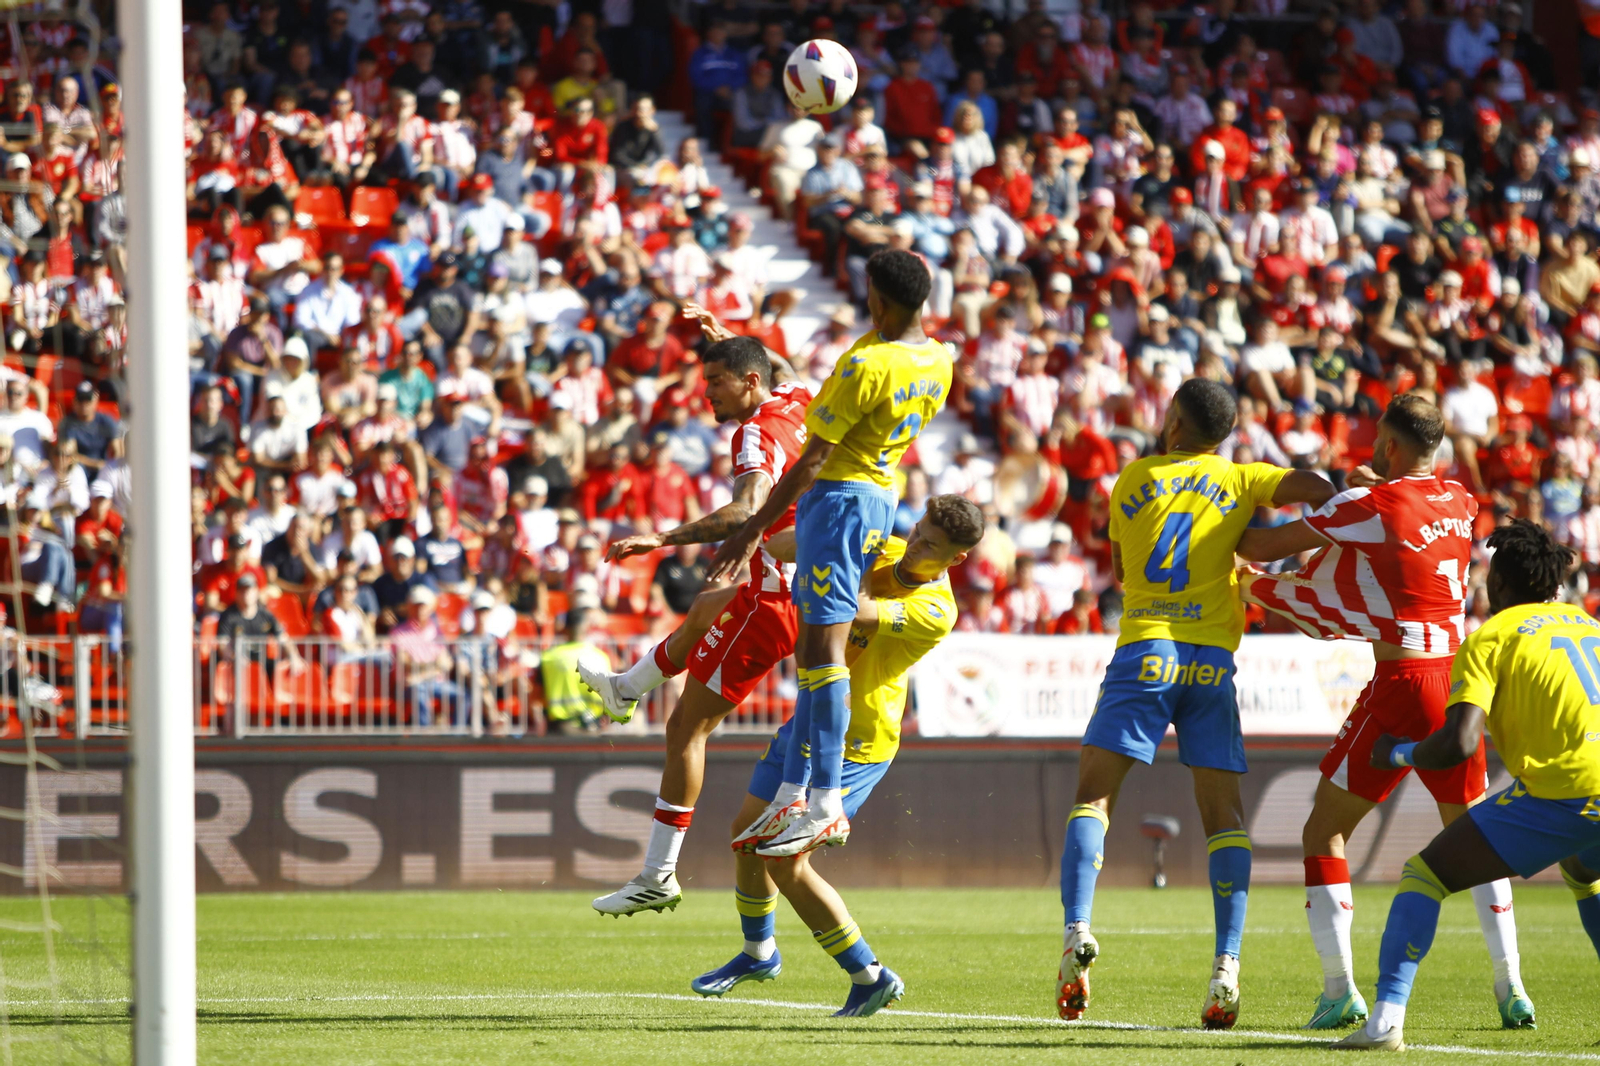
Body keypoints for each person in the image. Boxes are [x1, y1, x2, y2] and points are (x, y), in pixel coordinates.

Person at [1235, 395, 1533, 1030]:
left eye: (1377, 441)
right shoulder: (1461, 502)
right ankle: (1512, 987)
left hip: (1404, 680)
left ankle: (1339, 988)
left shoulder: (1367, 505)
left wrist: (1217, 525)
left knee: (1324, 832)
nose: (1370, 450)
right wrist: (1368, 487)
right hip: (1459, 679)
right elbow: (1406, 512)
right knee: (1478, 838)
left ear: (1391, 446)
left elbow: (1265, 546)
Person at [1056, 377, 1337, 1028]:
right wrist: (1312, 528)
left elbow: (1130, 570)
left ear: (1175, 424)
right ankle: (1227, 966)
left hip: (1148, 649)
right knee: (1224, 817)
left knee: (1092, 799)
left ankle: (1077, 929)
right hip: (1212, 662)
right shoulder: (1242, 479)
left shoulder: (1133, 478)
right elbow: (1316, 489)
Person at [690, 496, 984, 1017]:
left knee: (783, 858)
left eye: (931, 545)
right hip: (807, 717)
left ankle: (868, 974)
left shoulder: (936, 610)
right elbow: (786, 547)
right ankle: (758, 954)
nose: (914, 545)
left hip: (857, 741)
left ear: (955, 560)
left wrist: (841, 553)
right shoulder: (888, 546)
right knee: (745, 835)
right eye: (916, 531)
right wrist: (803, 535)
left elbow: (847, 609)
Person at [707, 249, 947, 859]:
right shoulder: (936, 358)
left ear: (879, 298)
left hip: (839, 499)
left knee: (822, 650)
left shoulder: (865, 363)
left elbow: (811, 458)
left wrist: (754, 526)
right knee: (818, 648)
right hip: (876, 494)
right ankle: (796, 793)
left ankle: (822, 804)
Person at [1334, 520, 1600, 1050]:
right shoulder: (1590, 626)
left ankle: (1385, 1020)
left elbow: (1459, 741)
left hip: (1565, 790)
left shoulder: (1490, 638)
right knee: (1583, 871)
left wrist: (1399, 752)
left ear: (1498, 585)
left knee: (1424, 875)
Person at [583, 329, 811, 916]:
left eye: (715, 381)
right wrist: (723, 332)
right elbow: (783, 365)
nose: (705, 392)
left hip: (772, 603)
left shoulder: (755, 433)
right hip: (796, 588)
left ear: (749, 381)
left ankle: (658, 873)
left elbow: (744, 509)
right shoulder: (799, 400)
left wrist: (661, 537)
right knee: (709, 604)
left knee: (685, 731)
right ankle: (625, 689)